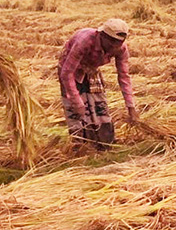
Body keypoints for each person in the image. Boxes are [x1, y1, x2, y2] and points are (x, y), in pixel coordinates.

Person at [58, 18, 138, 148]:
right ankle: (80, 146)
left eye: (119, 43)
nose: (114, 48)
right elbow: (67, 73)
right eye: (111, 43)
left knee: (99, 107)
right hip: (71, 69)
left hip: (92, 69)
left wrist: (131, 107)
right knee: (76, 111)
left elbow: (124, 76)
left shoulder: (120, 49)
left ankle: (103, 143)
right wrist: (76, 101)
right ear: (102, 36)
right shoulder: (85, 42)